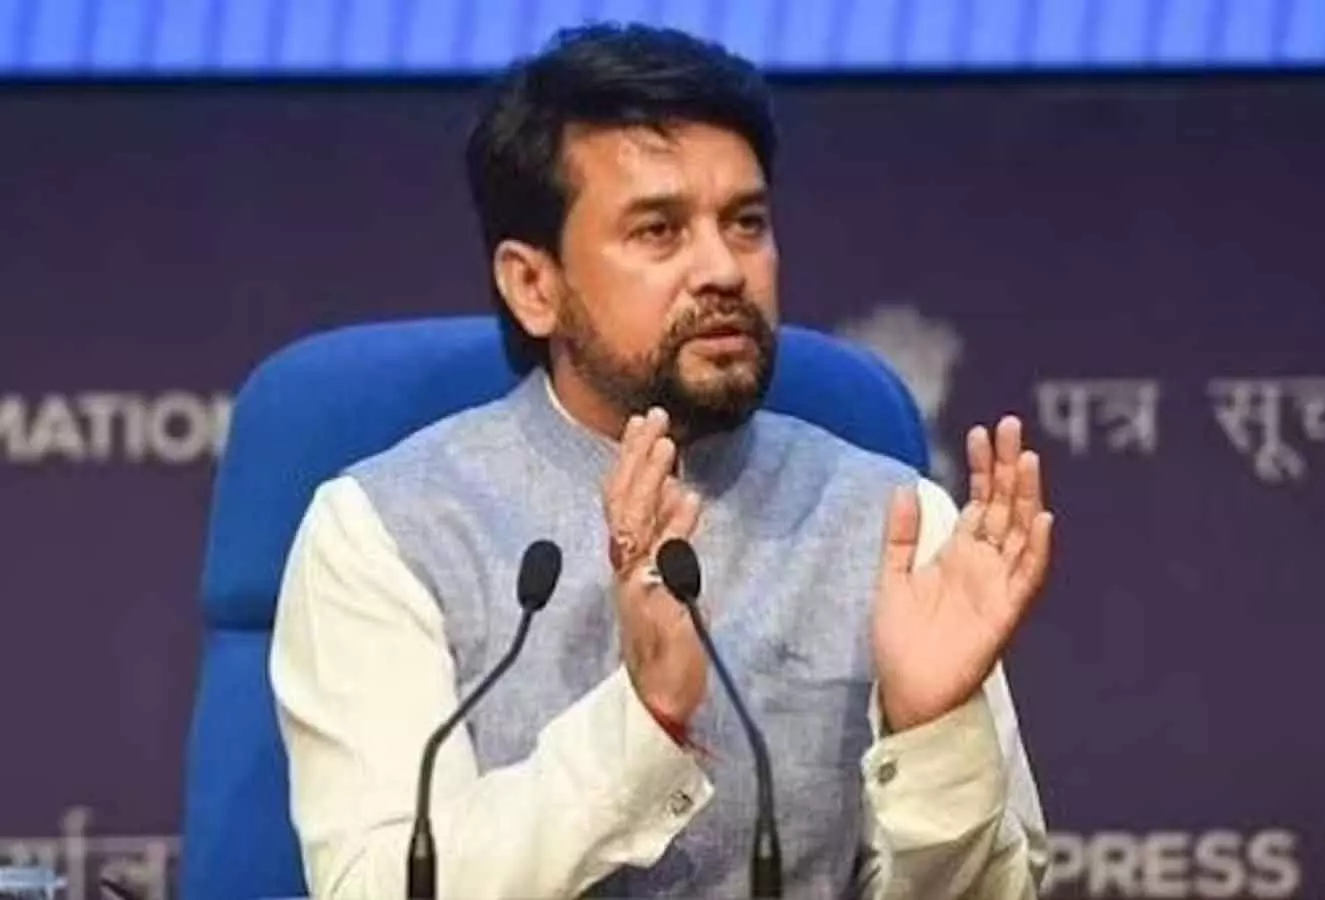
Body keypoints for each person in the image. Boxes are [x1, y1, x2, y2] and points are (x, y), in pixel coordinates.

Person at [270, 22, 1055, 900]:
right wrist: (641, 724)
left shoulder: (897, 527)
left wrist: (932, 734)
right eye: (658, 230)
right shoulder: (384, 532)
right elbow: (379, 887)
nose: (724, 269)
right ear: (534, 285)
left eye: (746, 223)